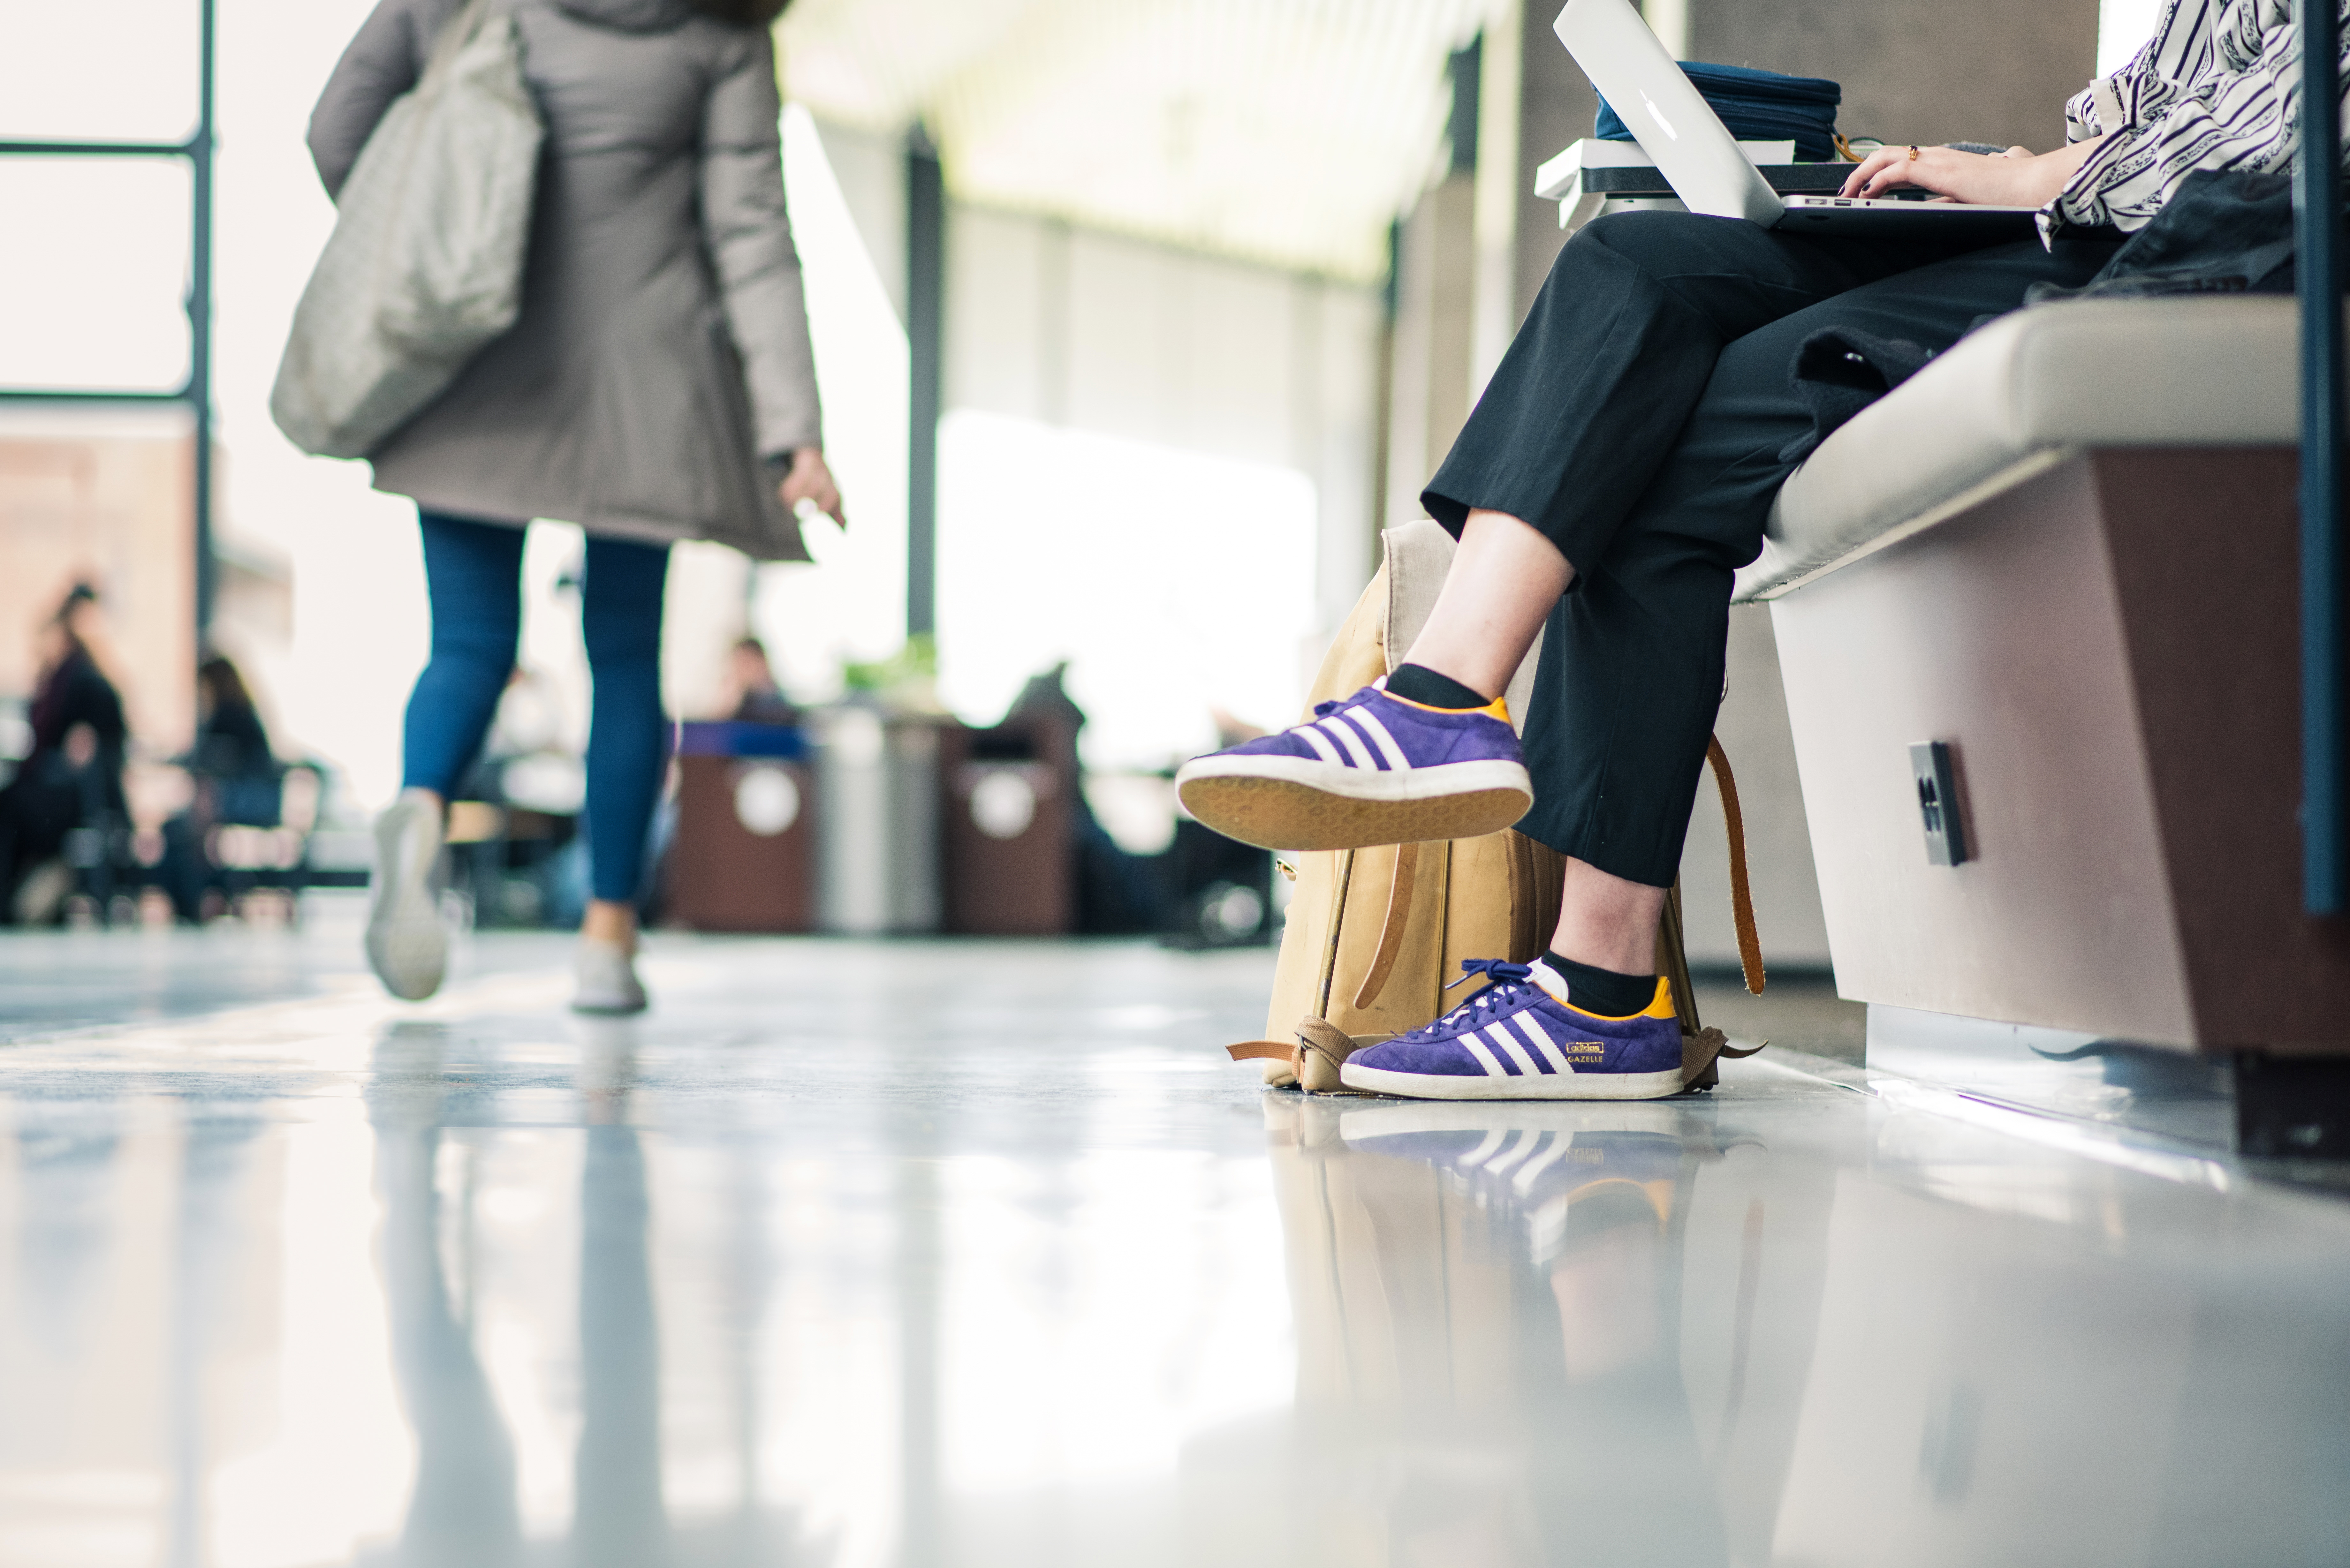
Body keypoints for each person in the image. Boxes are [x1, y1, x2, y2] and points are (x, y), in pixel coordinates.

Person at [1178, 0, 2347, 1100]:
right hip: (2080, 216)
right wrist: (1995, 168)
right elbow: (2159, 96)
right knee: (1629, 265)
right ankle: (1440, 702)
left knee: (1665, 428)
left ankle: (1592, 986)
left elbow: (2278, 134)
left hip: (2208, 249)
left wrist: (2048, 177)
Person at [307, 0, 847, 1012]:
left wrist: (421, 252)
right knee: (625, 658)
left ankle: (421, 803)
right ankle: (607, 939)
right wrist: (796, 429)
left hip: (476, 348)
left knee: (467, 642)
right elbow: (750, 233)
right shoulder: (720, 27)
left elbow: (339, 121)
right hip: (641, 381)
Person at [0, 584, 129, 925]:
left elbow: (89, 746)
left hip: (75, 796)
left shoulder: (81, 680)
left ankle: (12, 901)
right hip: (64, 790)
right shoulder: (63, 678)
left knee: (8, 806)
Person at [158, 655, 285, 923]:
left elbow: (212, 758)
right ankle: (205, 893)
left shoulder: (229, 714)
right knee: (193, 824)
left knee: (183, 827)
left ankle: (195, 900)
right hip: (252, 799)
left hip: (242, 799)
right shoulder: (245, 712)